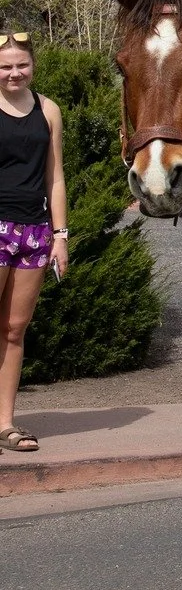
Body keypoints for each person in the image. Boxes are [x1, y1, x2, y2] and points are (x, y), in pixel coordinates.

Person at [0, 32, 66, 452]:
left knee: (14, 330)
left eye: (21, 65)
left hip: (35, 232)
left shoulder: (48, 110)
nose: (13, 73)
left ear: (33, 66)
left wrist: (60, 235)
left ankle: (4, 423)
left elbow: (55, 176)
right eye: (5, 66)